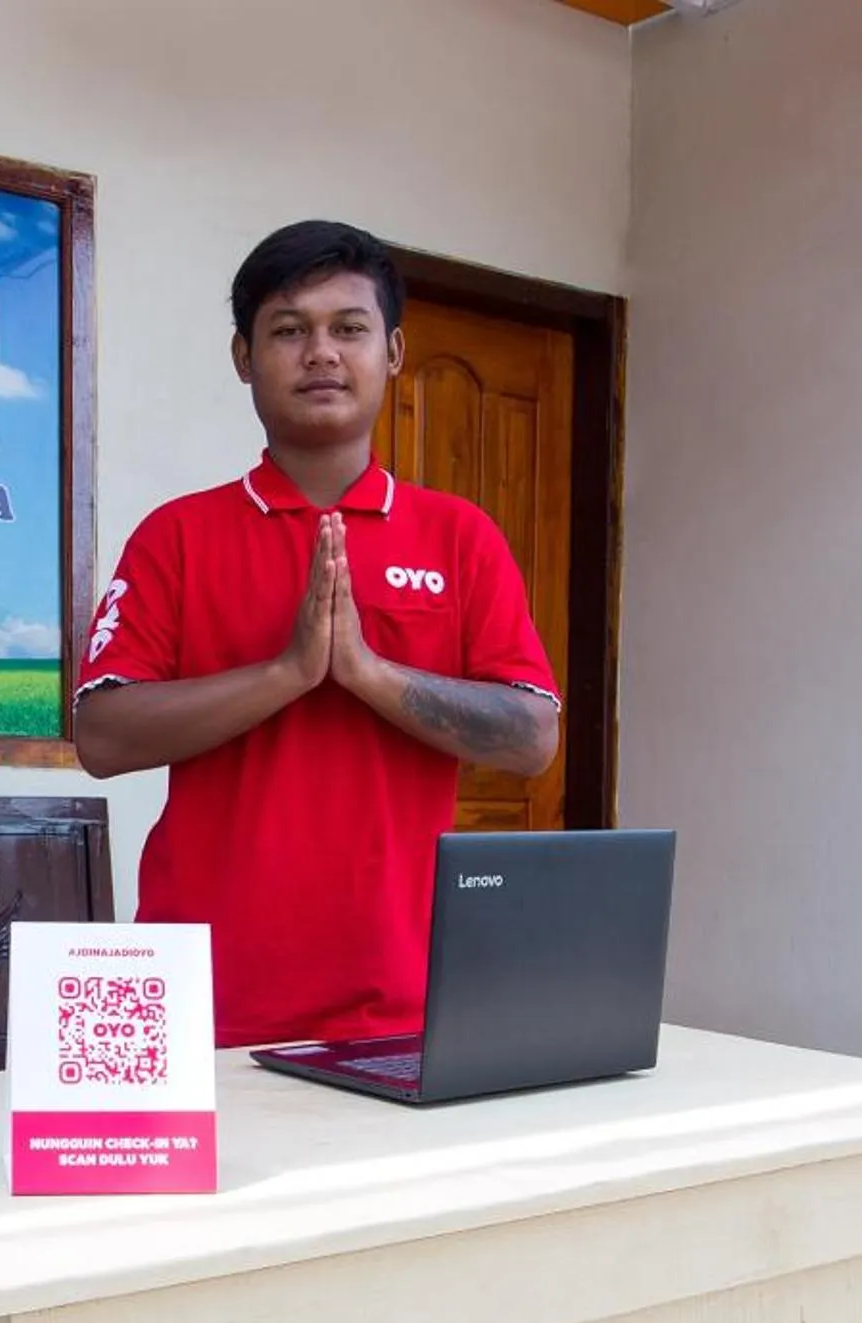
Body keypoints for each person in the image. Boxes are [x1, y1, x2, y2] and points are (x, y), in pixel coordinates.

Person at [73, 220, 563, 1049]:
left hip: (407, 1003)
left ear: (393, 352)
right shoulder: (177, 536)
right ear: (244, 357)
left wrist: (368, 673)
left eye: (349, 328)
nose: (322, 353)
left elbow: (532, 739)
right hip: (202, 1002)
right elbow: (102, 736)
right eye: (289, 330)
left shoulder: (460, 537)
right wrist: (289, 673)